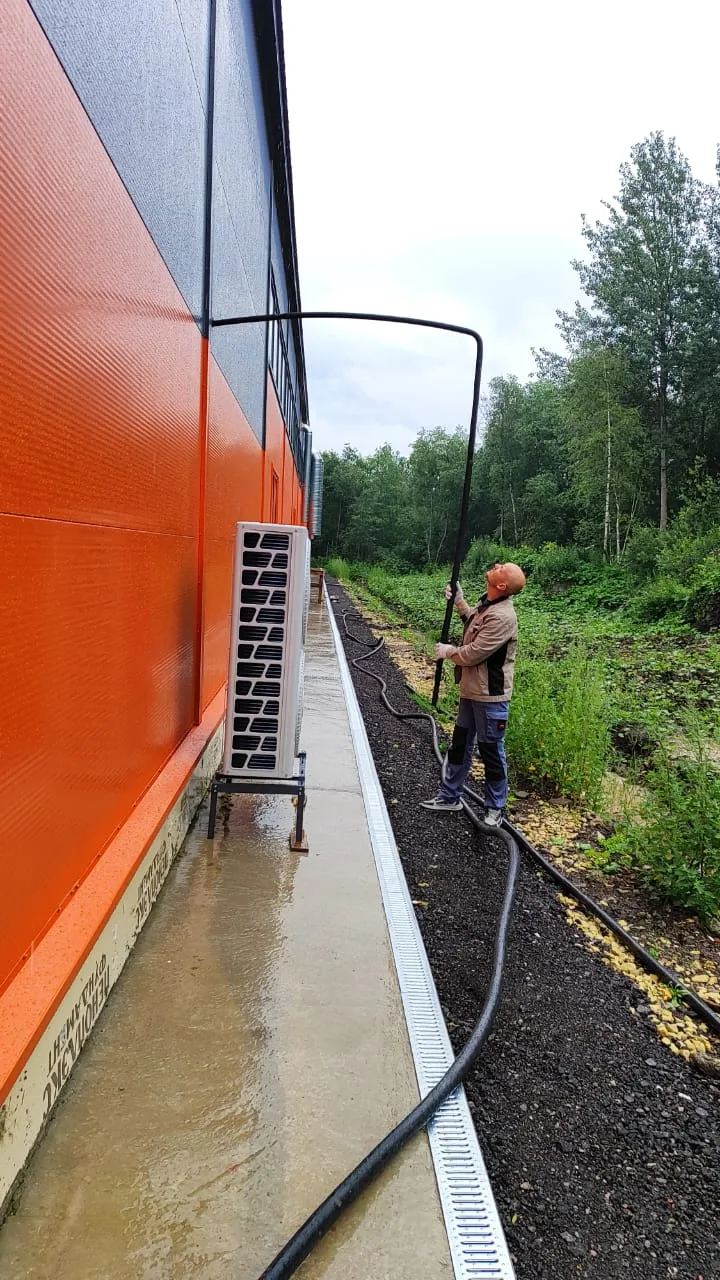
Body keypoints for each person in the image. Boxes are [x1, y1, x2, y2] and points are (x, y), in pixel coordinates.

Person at [420, 562, 526, 826]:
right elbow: (473, 623)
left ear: (501, 586)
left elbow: (473, 653)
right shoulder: (488, 605)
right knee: (459, 745)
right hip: (471, 691)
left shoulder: (503, 616)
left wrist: (448, 652)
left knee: (490, 751)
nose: (497, 565)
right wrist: (459, 603)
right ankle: (449, 796)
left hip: (490, 697)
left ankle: (495, 809)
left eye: (503, 568)